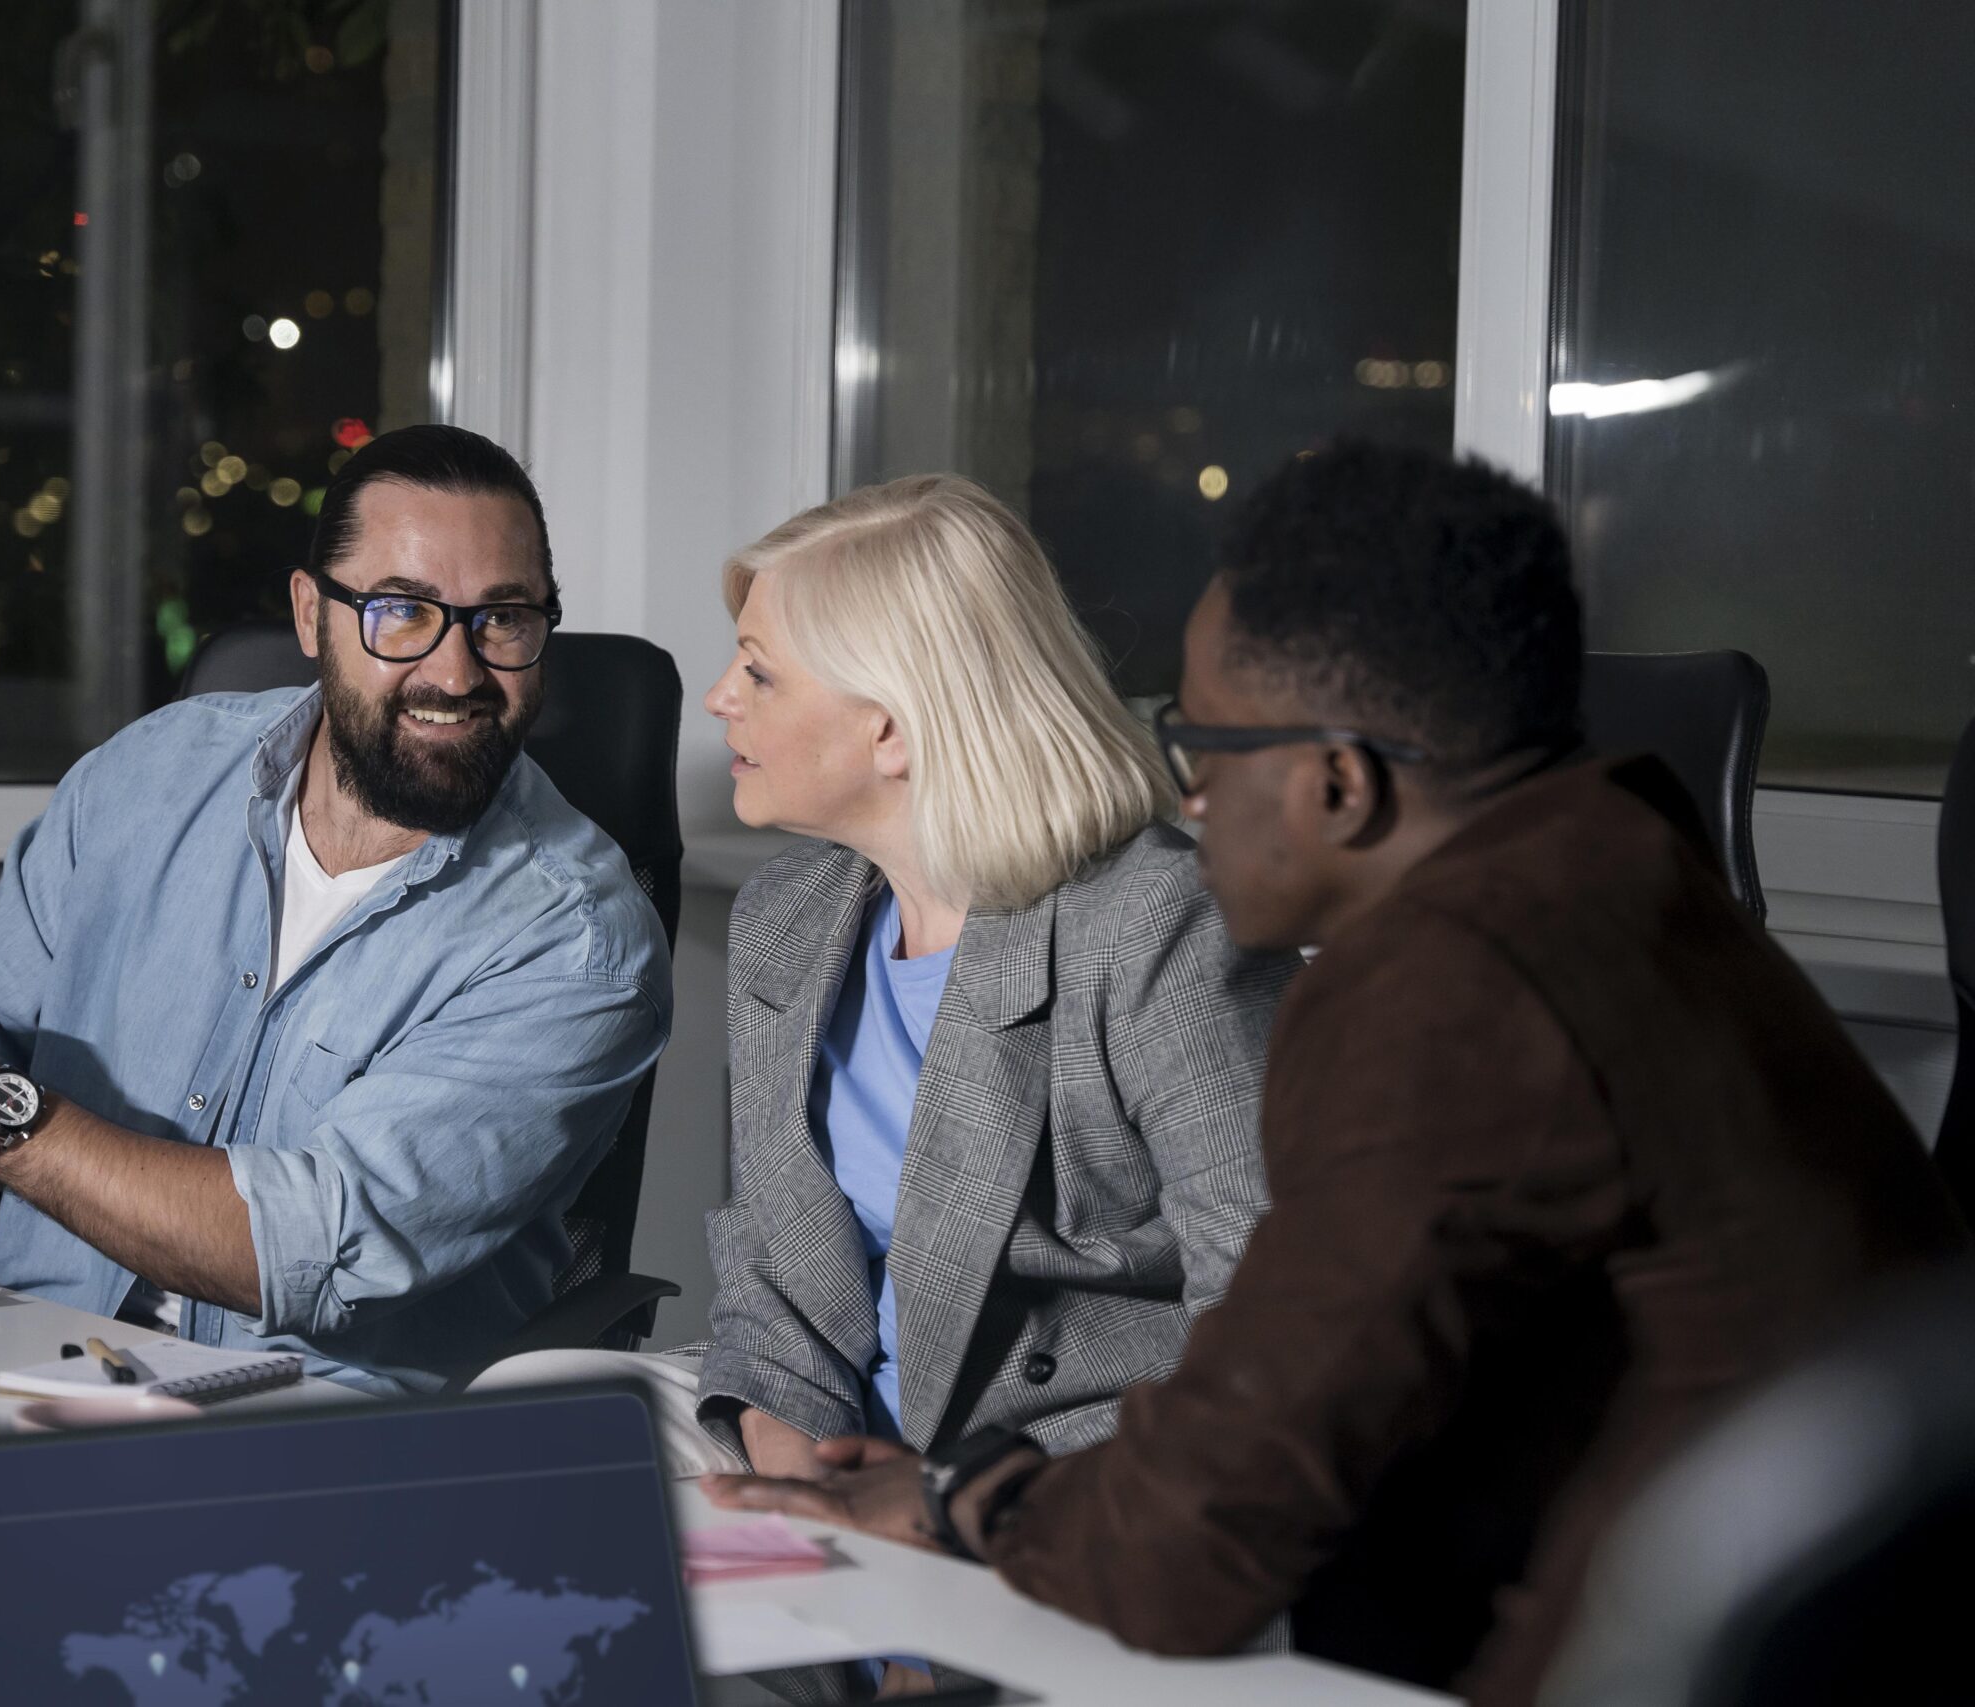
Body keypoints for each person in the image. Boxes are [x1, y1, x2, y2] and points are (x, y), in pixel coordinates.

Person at [703, 442, 1968, 1704]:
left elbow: (1213, 1520)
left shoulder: (1450, 994)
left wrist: (956, 1503)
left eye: (1201, 749)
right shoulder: (1613, 867)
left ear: (1338, 783)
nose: (1182, 805)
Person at [0, 424, 671, 1393]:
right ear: (312, 617)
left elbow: (301, 1251)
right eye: (401, 612)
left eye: (503, 619)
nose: (457, 672)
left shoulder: (580, 944)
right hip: (24, 1365)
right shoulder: (157, 772)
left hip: (317, 1440)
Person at [477, 474, 1291, 1489]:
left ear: (893, 727)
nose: (720, 695)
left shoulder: (1159, 925)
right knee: (515, 1421)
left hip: (1056, 1474)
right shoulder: (792, 916)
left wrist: (954, 1519)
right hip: (832, 1435)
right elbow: (777, 1277)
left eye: (760, 673)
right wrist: (797, 1478)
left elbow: (1267, 1327)